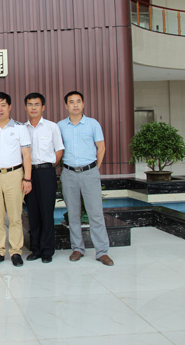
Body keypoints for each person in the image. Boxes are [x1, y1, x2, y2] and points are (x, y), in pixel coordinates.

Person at [58, 91, 114, 266]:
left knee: (95, 213)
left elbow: (101, 147)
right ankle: (77, 249)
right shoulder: (60, 126)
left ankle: (102, 251)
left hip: (89, 172)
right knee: (73, 213)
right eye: (71, 102)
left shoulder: (92, 124)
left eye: (78, 101)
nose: (75, 105)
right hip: (69, 173)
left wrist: (95, 168)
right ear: (66, 105)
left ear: (83, 104)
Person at [0, 92, 32, 267]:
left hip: (15, 175)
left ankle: (16, 251)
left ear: (9, 107)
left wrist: (27, 179)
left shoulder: (20, 128)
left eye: (3, 105)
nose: (0, 109)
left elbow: (26, 155)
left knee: (15, 216)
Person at [23, 93, 64, 264]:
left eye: (37, 104)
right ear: (25, 107)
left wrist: (49, 166)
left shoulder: (52, 127)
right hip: (28, 174)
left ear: (43, 107)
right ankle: (36, 249)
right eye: (30, 104)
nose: (33, 108)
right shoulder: (22, 129)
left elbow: (59, 150)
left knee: (47, 212)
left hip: (46, 172)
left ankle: (47, 250)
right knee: (32, 212)